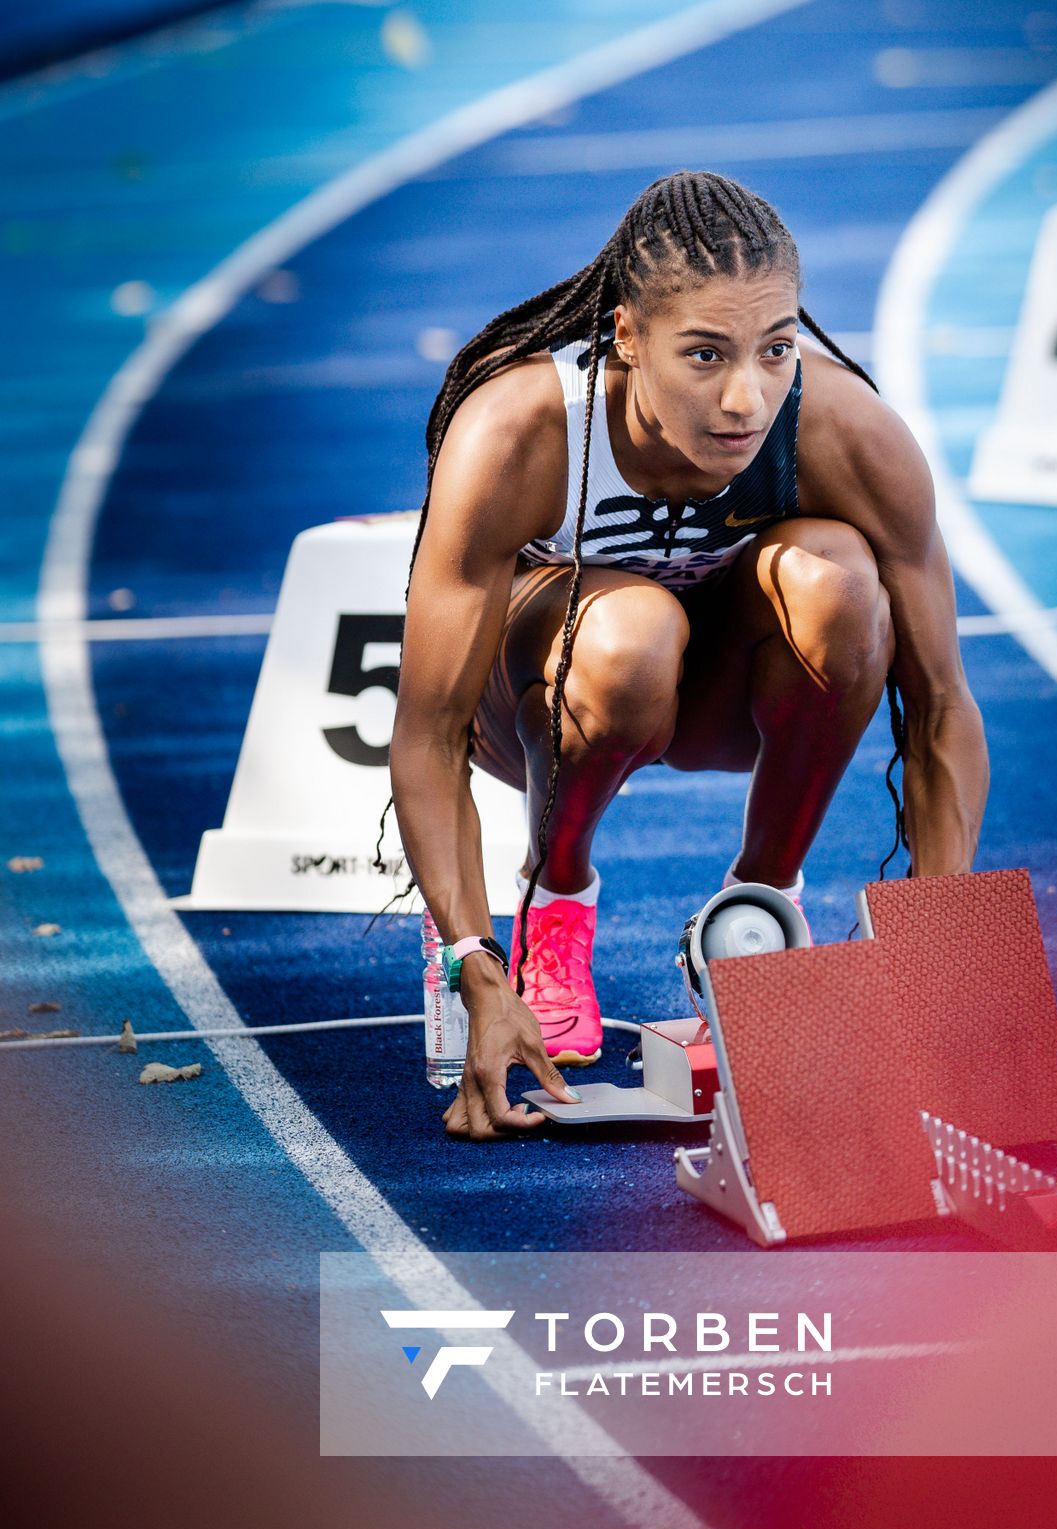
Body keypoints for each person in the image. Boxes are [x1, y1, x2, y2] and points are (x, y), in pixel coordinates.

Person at [389, 170, 988, 1142]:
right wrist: (473, 967)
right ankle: (556, 903)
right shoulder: (522, 427)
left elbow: (941, 708)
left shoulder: (843, 430)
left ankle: (754, 917)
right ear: (625, 337)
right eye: (704, 355)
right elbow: (426, 731)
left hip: (718, 699)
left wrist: (937, 956)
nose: (744, 398)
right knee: (631, 632)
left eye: (776, 349)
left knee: (840, 578)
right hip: (536, 706)